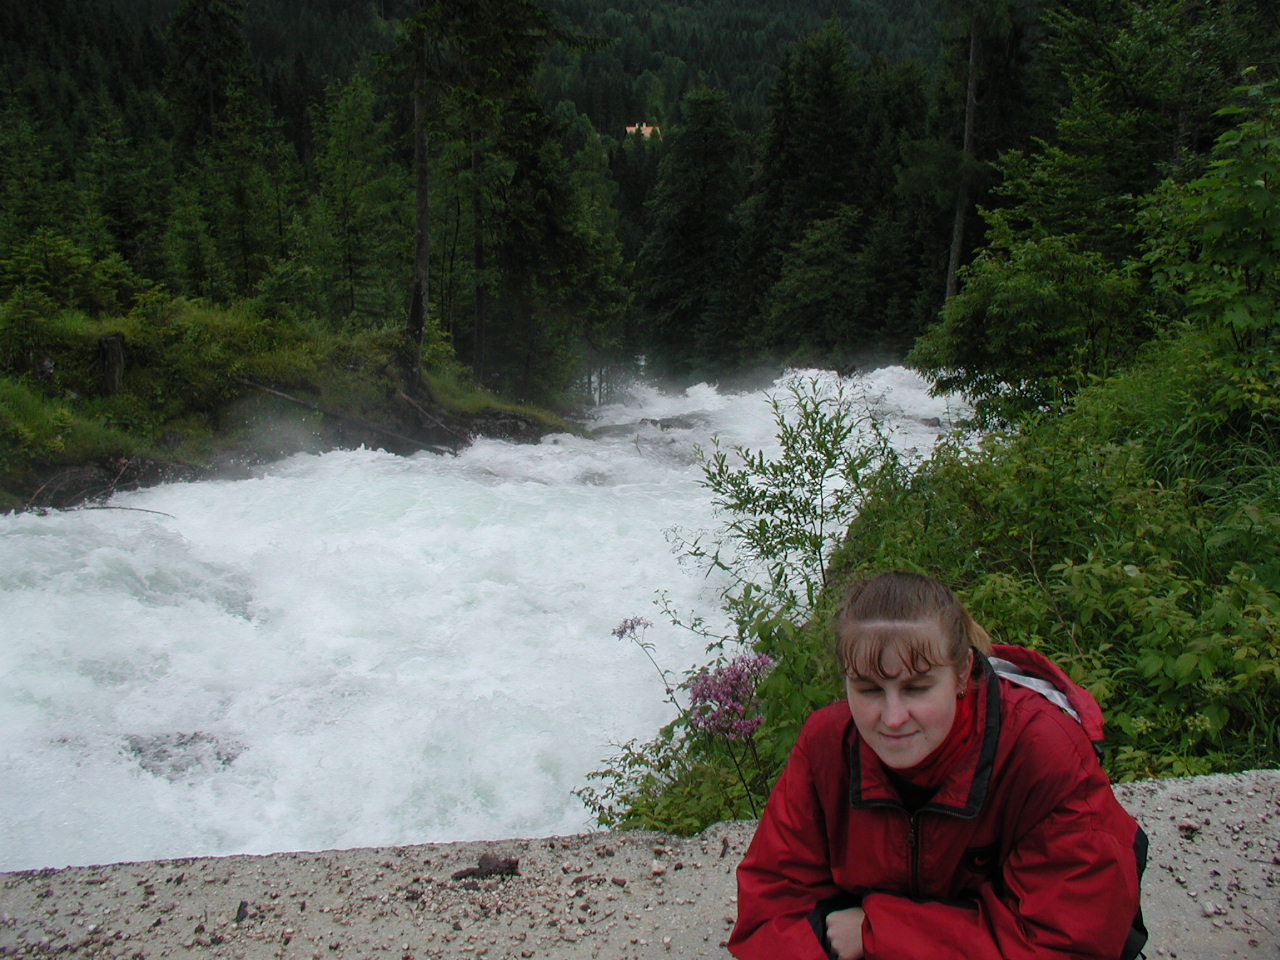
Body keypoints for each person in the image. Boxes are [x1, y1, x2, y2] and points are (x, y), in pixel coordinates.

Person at [728, 571, 1147, 960]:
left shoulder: (1043, 752)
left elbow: (1070, 941)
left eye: (916, 688)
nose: (893, 718)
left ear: (962, 673)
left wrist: (877, 932)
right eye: (869, 689)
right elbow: (769, 909)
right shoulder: (827, 747)